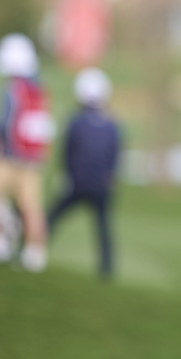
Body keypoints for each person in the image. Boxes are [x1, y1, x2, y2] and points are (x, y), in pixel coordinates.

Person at [0, 34, 54, 272]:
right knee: (31, 206)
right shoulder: (39, 89)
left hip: (10, 158)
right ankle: (35, 255)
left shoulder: (12, 89)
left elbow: (3, 124)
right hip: (33, 160)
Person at [47, 68, 120, 279]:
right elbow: (115, 155)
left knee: (53, 216)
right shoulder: (111, 124)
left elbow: (67, 152)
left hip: (78, 183)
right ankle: (107, 270)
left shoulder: (76, 121)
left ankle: (33, 251)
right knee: (104, 227)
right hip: (101, 185)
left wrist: (67, 175)